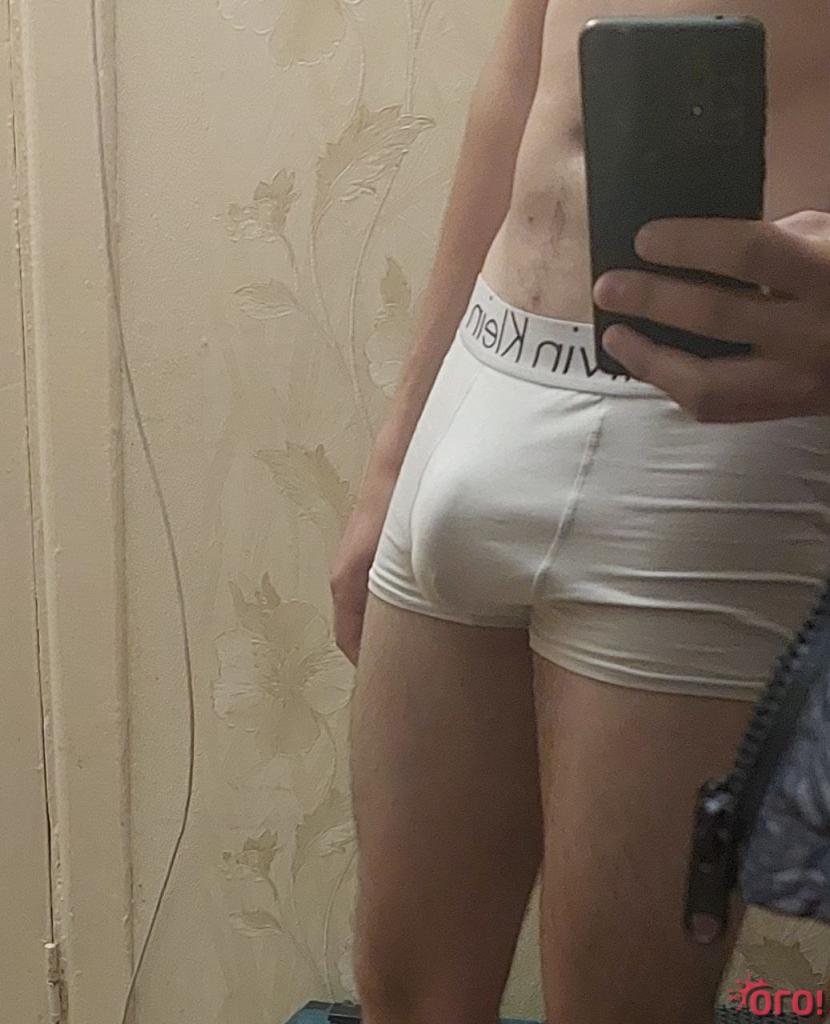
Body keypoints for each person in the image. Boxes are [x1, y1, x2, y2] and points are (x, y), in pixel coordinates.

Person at [330, 2, 830, 1021]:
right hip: (485, 371)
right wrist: (396, 453)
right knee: (403, 995)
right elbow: (518, 76)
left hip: (712, 423)